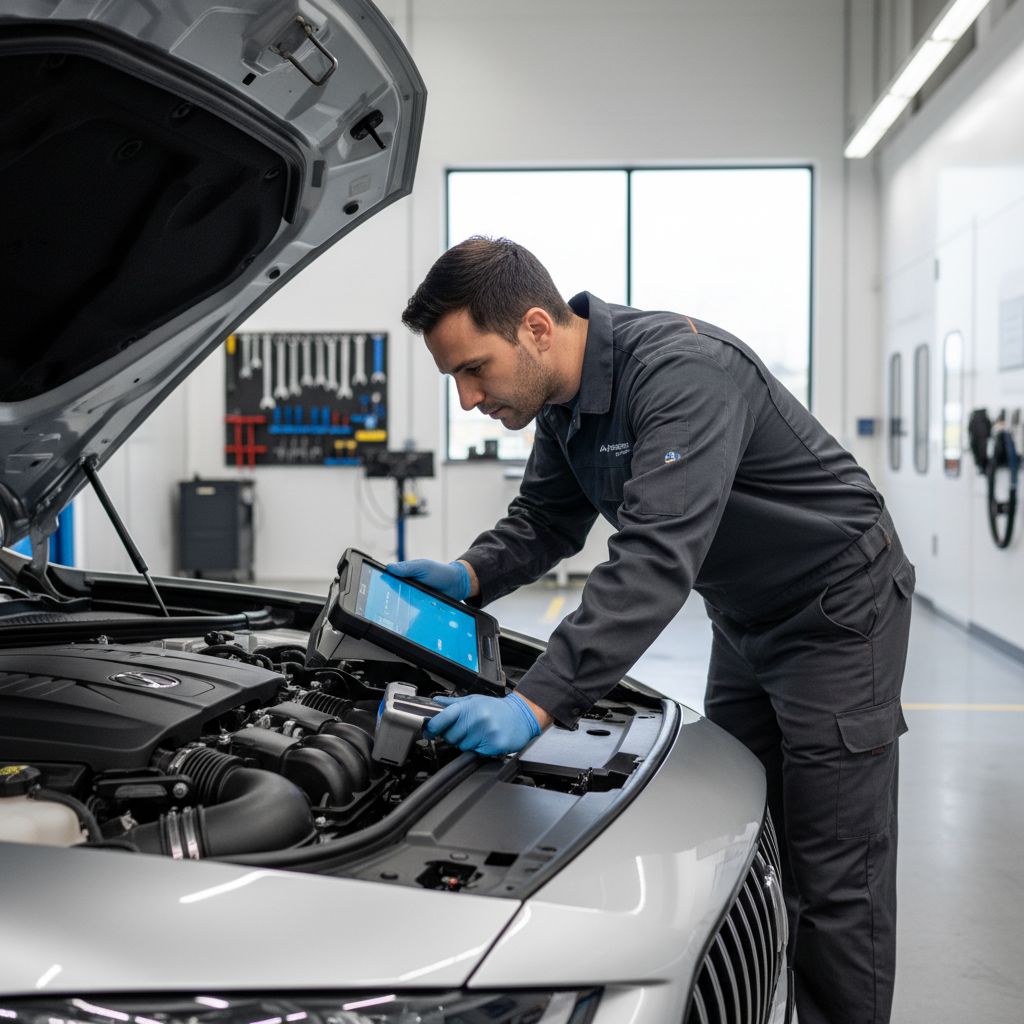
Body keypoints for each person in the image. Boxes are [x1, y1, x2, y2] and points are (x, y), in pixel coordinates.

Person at [388, 236, 913, 1024]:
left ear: (536, 327)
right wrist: (466, 576)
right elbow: (544, 521)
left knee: (835, 868)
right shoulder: (563, 403)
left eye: (473, 369)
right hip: (743, 613)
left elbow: (656, 557)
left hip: (837, 609)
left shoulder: (681, 374)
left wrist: (536, 703)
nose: (467, 399)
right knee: (748, 834)